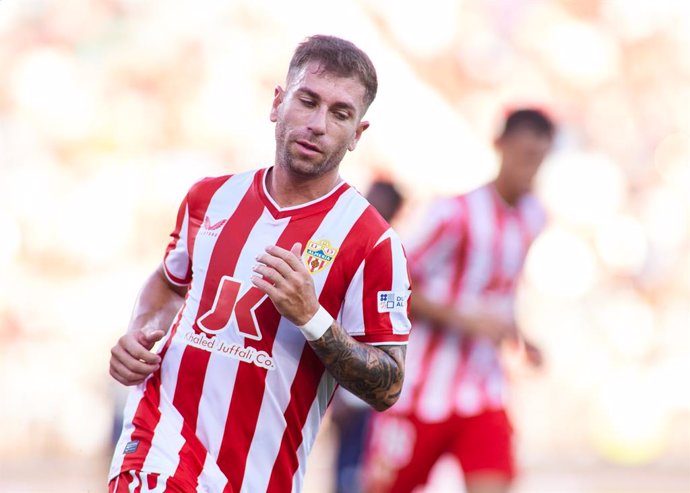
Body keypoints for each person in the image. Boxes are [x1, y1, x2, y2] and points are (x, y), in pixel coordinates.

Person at [107, 35, 411, 493]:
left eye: (340, 113)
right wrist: (140, 332)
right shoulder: (209, 198)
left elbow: (387, 386)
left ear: (357, 135)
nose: (318, 124)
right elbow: (170, 283)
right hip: (159, 443)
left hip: (261, 474)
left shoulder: (371, 243)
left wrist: (313, 319)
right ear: (277, 103)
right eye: (307, 101)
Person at [362, 108, 555, 493]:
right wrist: (463, 320)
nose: (530, 168)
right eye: (524, 156)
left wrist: (520, 336)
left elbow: (499, 291)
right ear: (500, 146)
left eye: (539, 158)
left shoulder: (533, 217)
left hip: (483, 392)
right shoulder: (455, 214)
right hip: (419, 392)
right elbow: (390, 284)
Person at [329, 180, 405, 493]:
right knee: (345, 466)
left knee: (358, 470)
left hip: (370, 386)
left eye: (382, 204)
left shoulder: (389, 254)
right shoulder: (346, 242)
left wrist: (350, 396)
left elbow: (383, 335)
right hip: (348, 379)